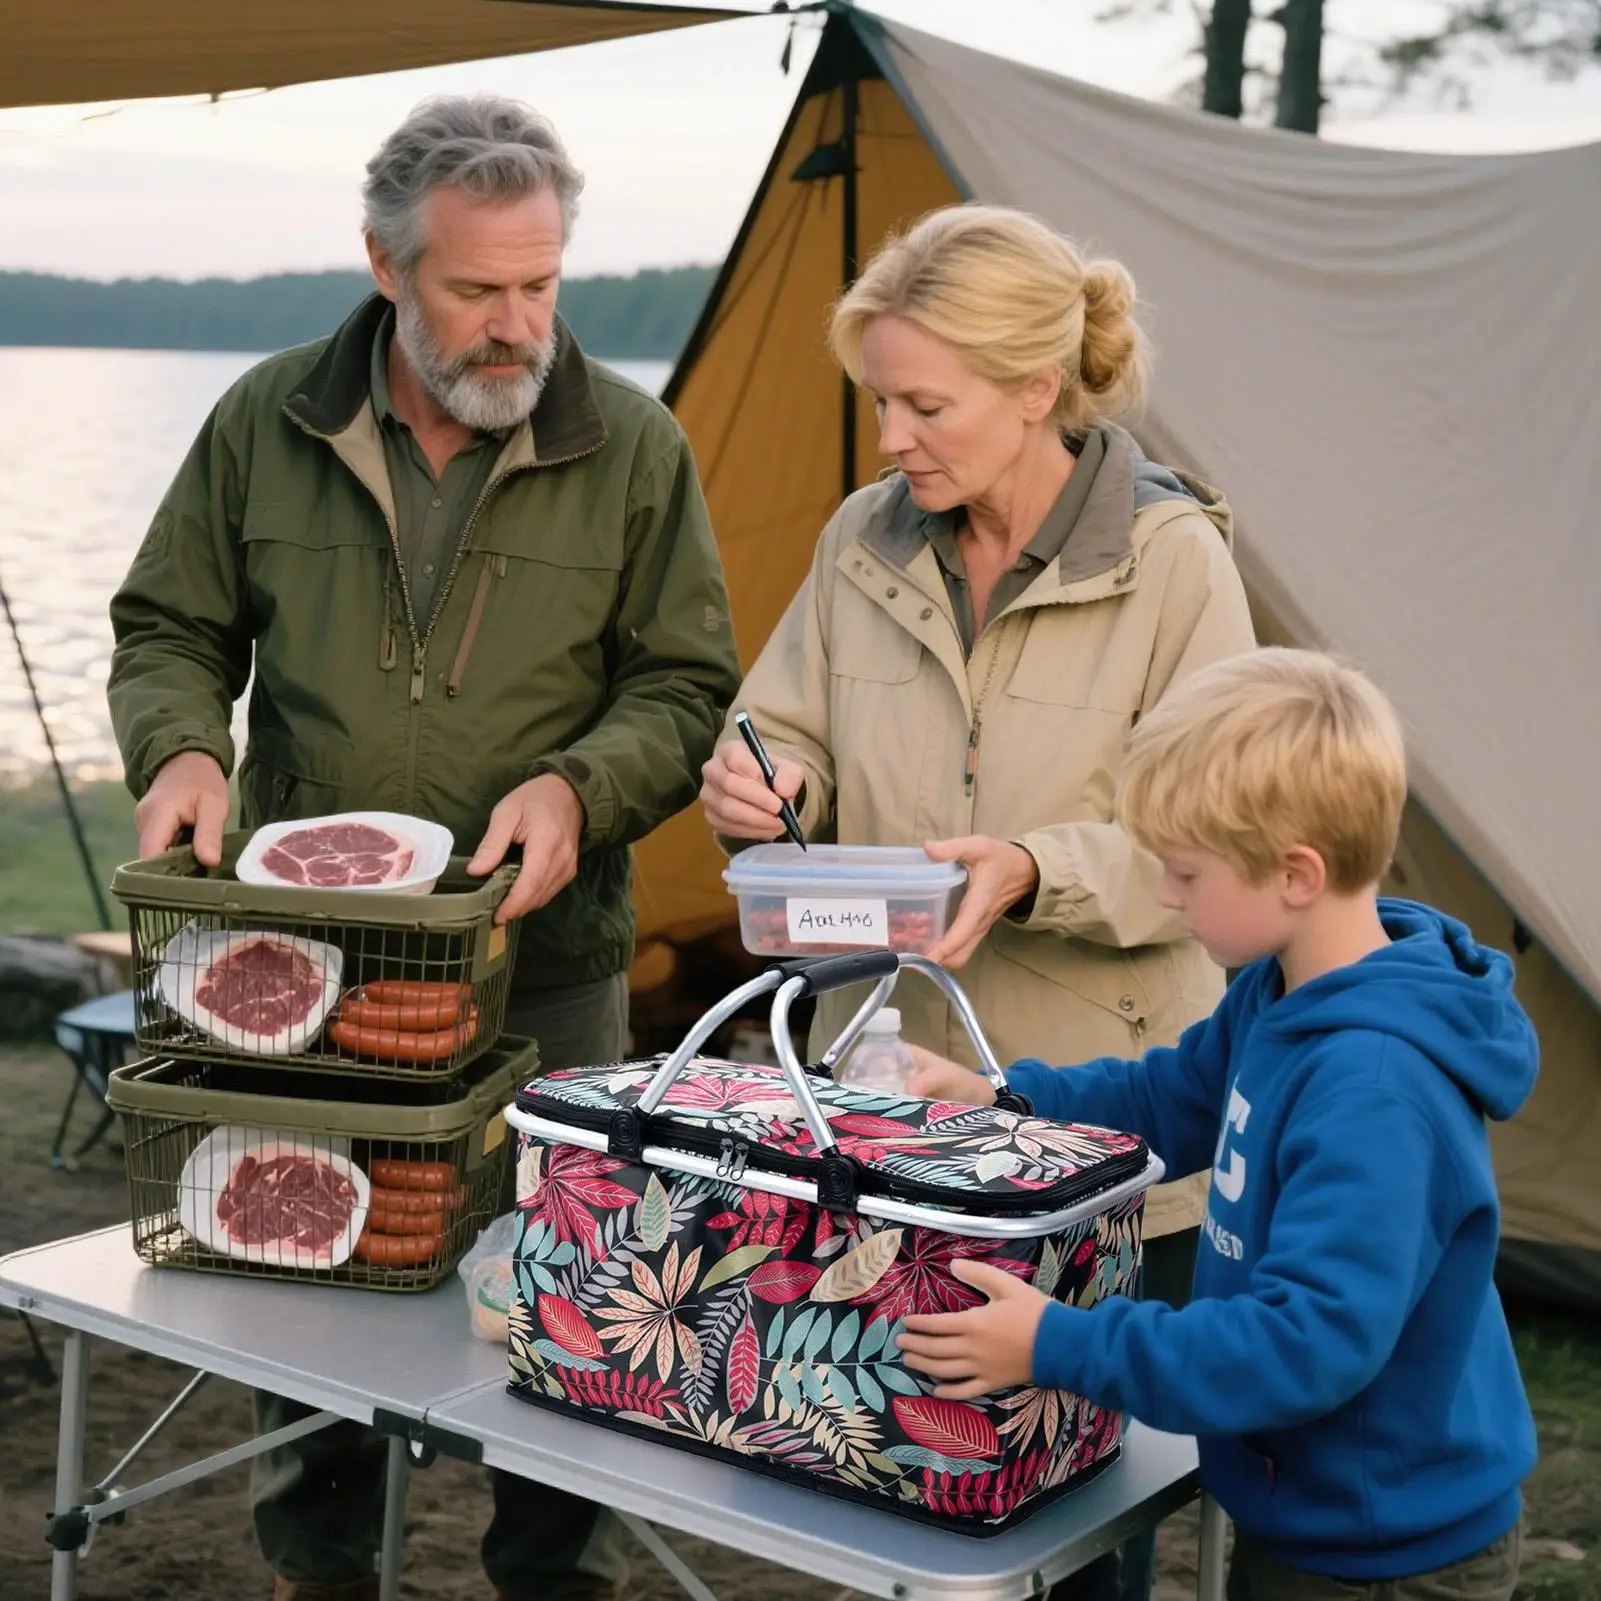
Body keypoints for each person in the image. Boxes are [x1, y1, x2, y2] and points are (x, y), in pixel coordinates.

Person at [107, 95, 741, 1601]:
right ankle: (316, 1565)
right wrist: (184, 745)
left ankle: (547, 1576)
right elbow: (168, 629)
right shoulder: (263, 418)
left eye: (543, 284)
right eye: (478, 290)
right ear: (388, 267)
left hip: (551, 959)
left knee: (570, 1298)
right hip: (306, 966)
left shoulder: (635, 443)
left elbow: (684, 681)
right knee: (312, 1282)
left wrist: (584, 788)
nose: (519, 323)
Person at [699, 203, 1255, 1599]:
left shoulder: (1175, 558)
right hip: (885, 1105)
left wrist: (1027, 866)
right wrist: (767, 788)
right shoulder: (859, 539)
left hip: (1100, 1131)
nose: (890, 433)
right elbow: (787, 727)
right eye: (880, 397)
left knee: (1069, 1523)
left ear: (1031, 390)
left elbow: (1222, 836)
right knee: (882, 1467)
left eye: (921, 402)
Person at [899, 648, 1537, 1601]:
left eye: (1186, 873)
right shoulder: (1277, 991)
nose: (1165, 896)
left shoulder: (1374, 1089)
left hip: (1389, 1553)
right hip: (1313, 1508)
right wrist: (1002, 1100)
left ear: (1293, 873)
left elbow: (1302, 1344)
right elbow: (1169, 1099)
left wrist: (1059, 1344)